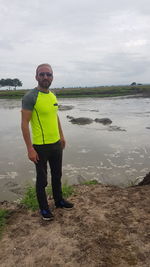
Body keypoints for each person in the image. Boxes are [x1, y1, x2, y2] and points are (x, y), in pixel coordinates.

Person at [21, 63, 73, 221]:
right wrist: (30, 149)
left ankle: (59, 201)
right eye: (42, 74)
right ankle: (44, 209)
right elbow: (24, 124)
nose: (45, 77)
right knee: (42, 180)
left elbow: (55, 116)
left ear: (52, 77)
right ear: (36, 76)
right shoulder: (30, 97)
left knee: (57, 175)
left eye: (48, 74)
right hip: (40, 147)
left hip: (56, 144)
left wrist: (62, 136)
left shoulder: (53, 95)